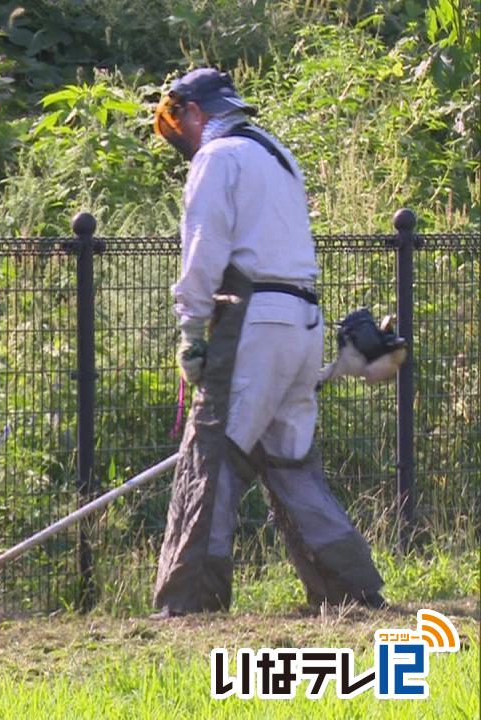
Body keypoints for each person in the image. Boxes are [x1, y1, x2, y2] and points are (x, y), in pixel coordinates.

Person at [150, 69, 384, 616]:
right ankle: (349, 590)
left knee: (212, 457)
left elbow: (204, 251)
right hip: (303, 321)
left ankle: (190, 603)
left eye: (175, 121)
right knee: (291, 462)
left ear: (193, 112)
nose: (176, 136)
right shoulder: (277, 154)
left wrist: (190, 330)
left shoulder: (216, 159)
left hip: (252, 320)